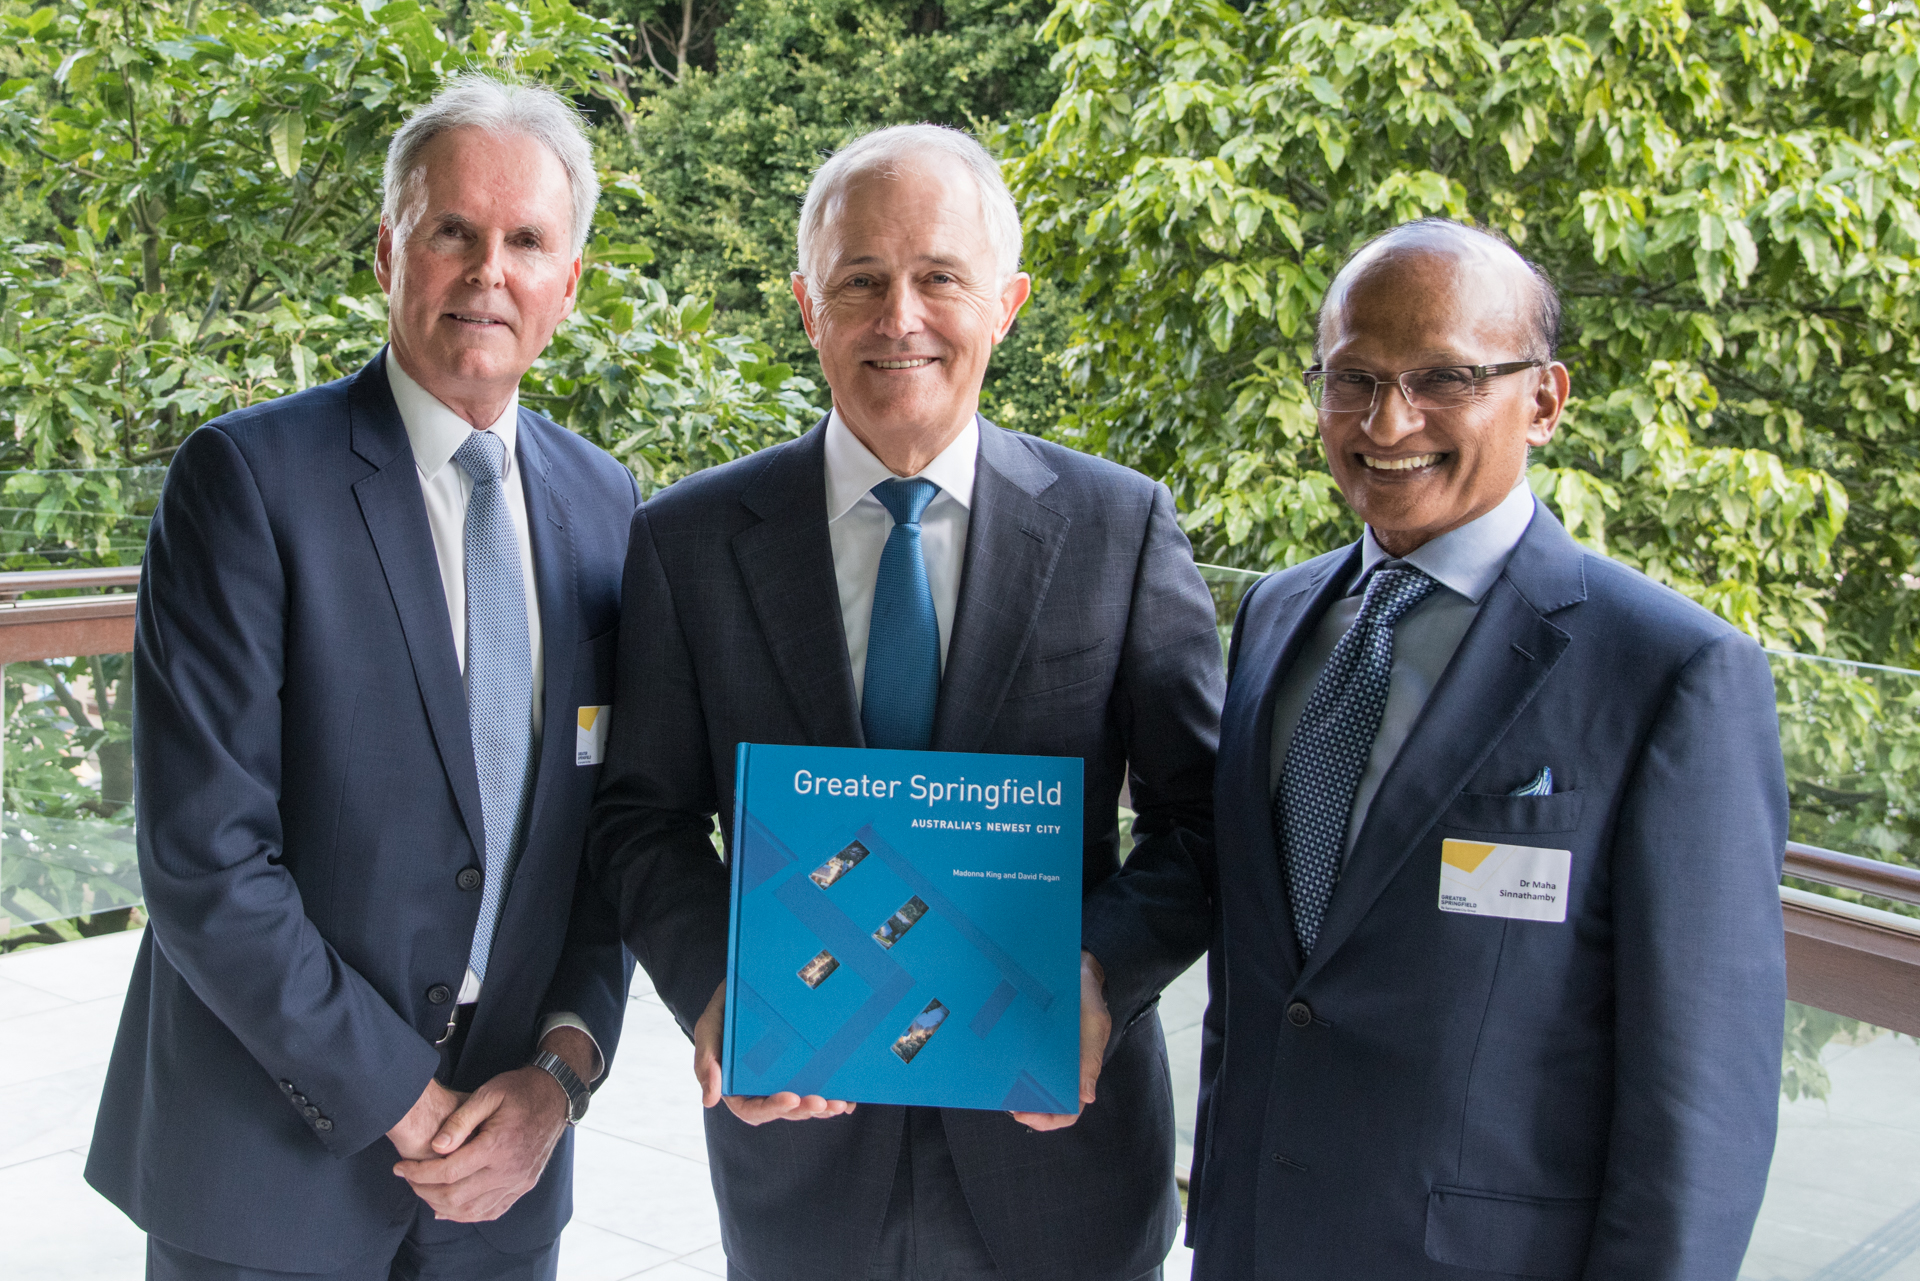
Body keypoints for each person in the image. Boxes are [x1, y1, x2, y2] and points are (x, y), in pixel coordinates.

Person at [586, 124, 1223, 1281]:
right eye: (862, 282)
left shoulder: (1119, 530)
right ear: (806, 304)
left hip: (1057, 1158)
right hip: (803, 1150)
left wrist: (1100, 980)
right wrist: (719, 990)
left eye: (940, 278)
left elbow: (1201, 820)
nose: (900, 318)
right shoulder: (686, 542)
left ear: (1008, 303)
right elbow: (643, 817)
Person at [1107, 217, 1787, 1279]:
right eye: (1352, 379)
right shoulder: (1281, 617)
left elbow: (1701, 1099)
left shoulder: (1672, 674)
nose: (1388, 420)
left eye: (1443, 378)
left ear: (1545, 400)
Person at [86, 74, 638, 1280]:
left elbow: (611, 843)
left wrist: (557, 1080)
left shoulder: (607, 509)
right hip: (266, 1178)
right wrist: (403, 1097)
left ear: (569, 283)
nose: (489, 270)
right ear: (390, 248)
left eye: (528, 241)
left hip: (504, 1184)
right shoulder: (244, 482)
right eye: (454, 230)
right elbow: (203, 862)